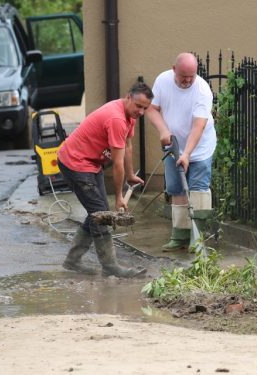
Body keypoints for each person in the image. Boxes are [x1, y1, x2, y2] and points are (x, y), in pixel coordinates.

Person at [56, 82, 149, 278]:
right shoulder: (116, 118)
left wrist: (131, 175)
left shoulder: (129, 115)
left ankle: (73, 261)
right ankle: (110, 266)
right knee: (101, 213)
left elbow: (128, 146)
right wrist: (119, 197)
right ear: (128, 97)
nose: (141, 111)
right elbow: (117, 164)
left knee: (96, 212)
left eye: (145, 108)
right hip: (75, 162)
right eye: (138, 106)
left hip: (91, 163)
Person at [146, 52, 216, 251]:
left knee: (198, 187)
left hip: (200, 146)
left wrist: (187, 154)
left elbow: (199, 125)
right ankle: (180, 235)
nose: (187, 80)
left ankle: (197, 237)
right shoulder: (162, 81)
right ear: (174, 69)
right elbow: (151, 108)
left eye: (191, 76)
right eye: (183, 76)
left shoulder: (202, 90)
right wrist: (163, 130)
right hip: (174, 145)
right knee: (176, 188)